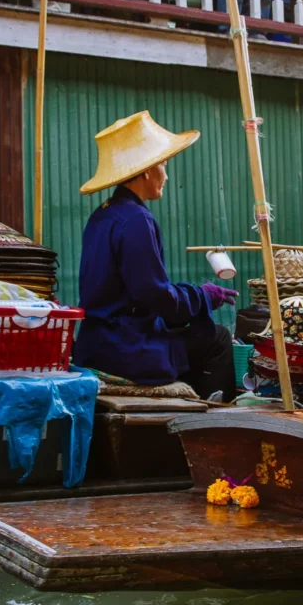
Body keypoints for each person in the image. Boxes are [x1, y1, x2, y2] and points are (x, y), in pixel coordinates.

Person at [73, 110, 238, 401]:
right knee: (220, 339)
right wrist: (203, 297)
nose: (167, 174)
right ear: (147, 170)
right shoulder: (137, 219)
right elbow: (157, 297)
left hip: (96, 341)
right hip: (125, 348)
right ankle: (207, 427)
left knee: (191, 330)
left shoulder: (103, 215)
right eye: (163, 164)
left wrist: (194, 298)